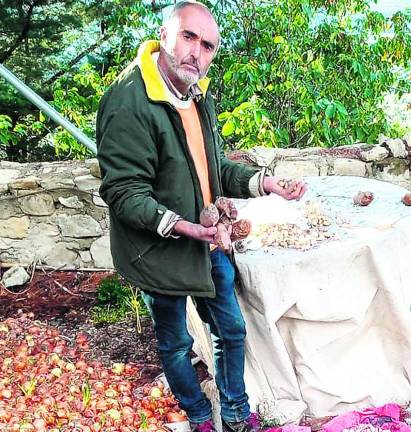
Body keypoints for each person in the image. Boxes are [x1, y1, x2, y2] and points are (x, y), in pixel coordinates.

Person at [95, 2, 306, 431]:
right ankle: (197, 416)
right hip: (157, 251)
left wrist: (265, 184)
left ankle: (233, 415)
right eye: (189, 37)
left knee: (231, 332)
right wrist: (187, 226)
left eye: (207, 45)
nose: (197, 52)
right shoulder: (128, 101)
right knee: (175, 344)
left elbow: (213, 169)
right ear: (166, 34)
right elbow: (123, 192)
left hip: (207, 242)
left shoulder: (197, 93)